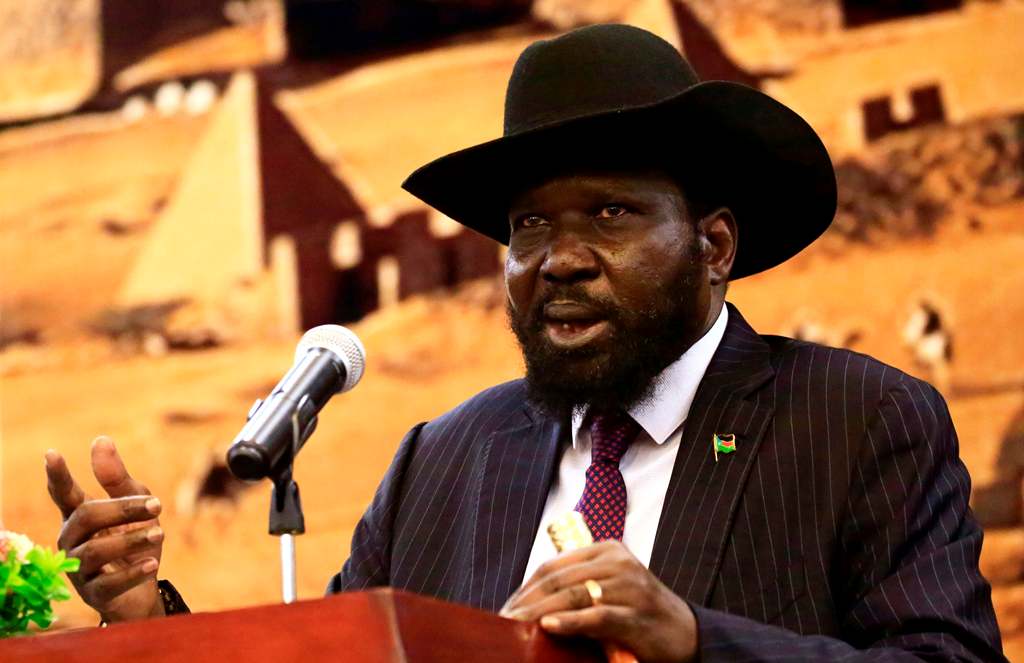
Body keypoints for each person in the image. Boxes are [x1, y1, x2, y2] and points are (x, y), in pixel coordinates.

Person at [46, 24, 1005, 662]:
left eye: (611, 213)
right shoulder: (443, 459)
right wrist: (144, 621)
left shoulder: (857, 418)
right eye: (529, 227)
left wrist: (694, 637)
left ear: (714, 245)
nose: (561, 258)